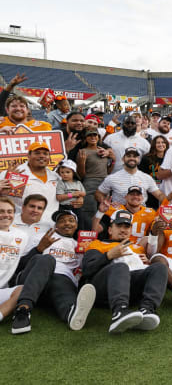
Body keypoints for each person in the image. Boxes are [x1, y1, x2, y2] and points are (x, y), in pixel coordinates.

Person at [10, 210, 96, 334]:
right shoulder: (41, 237)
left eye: (71, 220)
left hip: (58, 283)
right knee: (48, 259)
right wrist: (39, 249)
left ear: (76, 225)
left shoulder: (80, 246)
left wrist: (87, 254)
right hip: (31, 280)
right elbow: (20, 265)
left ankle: (71, 313)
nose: (67, 223)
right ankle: (23, 310)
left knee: (62, 280)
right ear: (55, 225)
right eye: (62, 221)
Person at [83, 209, 168, 333]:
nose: (123, 230)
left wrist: (147, 263)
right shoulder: (98, 244)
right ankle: (119, 312)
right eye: (119, 226)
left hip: (130, 288)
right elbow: (87, 270)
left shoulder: (136, 247)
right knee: (121, 266)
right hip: (104, 289)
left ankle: (146, 310)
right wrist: (108, 256)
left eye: (126, 226)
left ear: (130, 230)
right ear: (110, 229)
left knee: (159, 267)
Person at [0, 142, 61, 221]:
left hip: (49, 224)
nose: (42, 156)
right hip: (19, 224)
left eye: (45, 154)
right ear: (28, 155)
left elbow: (64, 195)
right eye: (37, 153)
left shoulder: (55, 176)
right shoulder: (16, 172)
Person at [95, 147, 166, 206]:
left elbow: (159, 195)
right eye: (128, 156)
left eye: (134, 156)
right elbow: (99, 193)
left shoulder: (146, 177)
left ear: (138, 159)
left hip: (141, 215)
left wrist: (168, 200)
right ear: (123, 159)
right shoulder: (112, 177)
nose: (132, 158)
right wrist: (107, 204)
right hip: (118, 215)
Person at [93, 186, 157, 245]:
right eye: (132, 194)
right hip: (115, 247)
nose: (135, 197)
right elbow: (95, 229)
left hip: (139, 250)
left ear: (142, 198)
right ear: (125, 197)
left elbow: (155, 235)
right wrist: (100, 212)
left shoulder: (151, 213)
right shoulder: (113, 209)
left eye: (138, 195)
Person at [0, 198, 29, 328]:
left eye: (10, 211)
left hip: (2, 290)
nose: (6, 215)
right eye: (1, 211)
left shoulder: (22, 236)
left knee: (23, 290)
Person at [77, 127, 113, 228]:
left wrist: (113, 161)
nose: (93, 137)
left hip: (105, 182)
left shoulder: (104, 151)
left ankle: (101, 235)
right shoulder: (82, 151)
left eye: (95, 135)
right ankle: (87, 234)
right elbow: (81, 175)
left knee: (105, 210)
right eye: (89, 135)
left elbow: (108, 171)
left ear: (98, 137)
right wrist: (81, 162)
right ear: (85, 138)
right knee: (89, 211)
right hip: (90, 182)